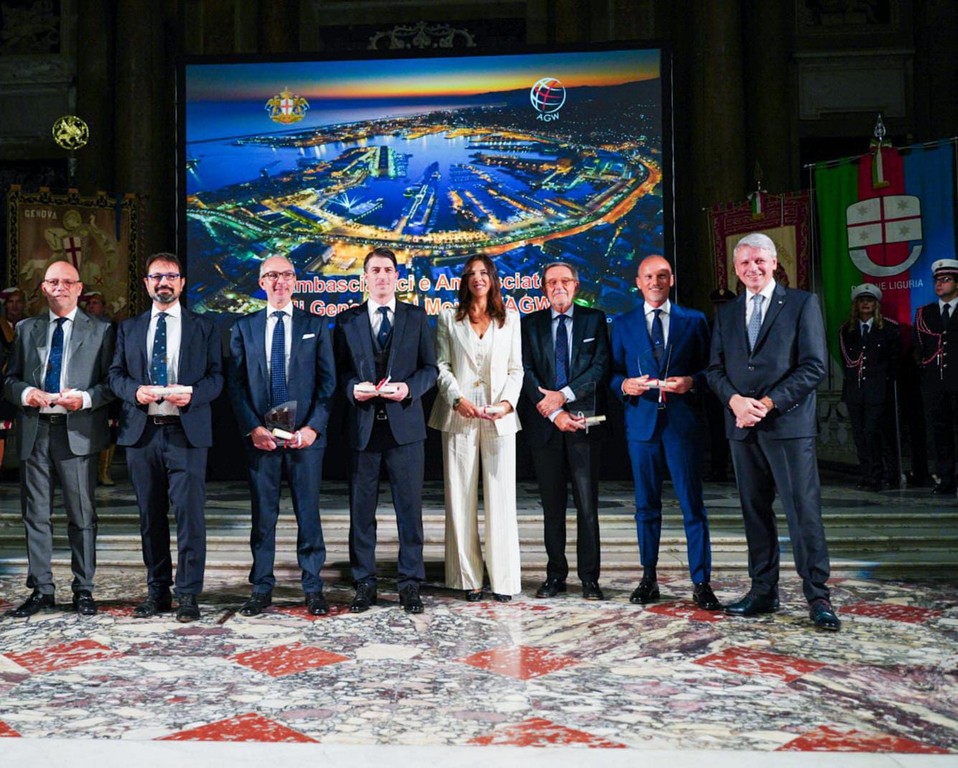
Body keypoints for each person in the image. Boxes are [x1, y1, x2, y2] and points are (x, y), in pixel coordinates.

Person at [707, 232, 839, 631]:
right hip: (741, 429)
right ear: (735, 269)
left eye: (759, 261)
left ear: (774, 263)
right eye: (745, 263)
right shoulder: (727, 313)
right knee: (755, 513)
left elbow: (814, 366)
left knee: (802, 512)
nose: (753, 268)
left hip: (787, 426)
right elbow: (714, 369)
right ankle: (763, 590)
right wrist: (734, 401)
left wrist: (767, 403)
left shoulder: (801, 303)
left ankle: (818, 596)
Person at [108, 253, 223, 622]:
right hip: (142, 435)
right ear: (146, 283)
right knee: (150, 517)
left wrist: (193, 394)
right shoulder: (128, 328)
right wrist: (134, 391)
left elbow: (217, 378)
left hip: (185, 433)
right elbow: (114, 375)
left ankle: (188, 594)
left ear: (182, 283)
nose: (164, 282)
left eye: (171, 276)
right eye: (156, 276)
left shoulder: (203, 327)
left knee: (190, 518)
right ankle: (157, 592)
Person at [3, 261, 114, 617]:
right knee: (35, 514)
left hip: (76, 431)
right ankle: (42, 590)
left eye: (67, 282)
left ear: (79, 288)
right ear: (43, 288)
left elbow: (112, 383)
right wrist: (26, 393)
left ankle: (83, 589)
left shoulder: (101, 330)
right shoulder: (27, 328)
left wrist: (85, 399)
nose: (60, 288)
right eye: (53, 282)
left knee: (82, 516)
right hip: (35, 430)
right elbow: (9, 380)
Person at [227, 255, 336, 616]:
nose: (280, 281)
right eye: (272, 275)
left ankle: (313, 587)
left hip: (305, 440)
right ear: (261, 283)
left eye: (286, 275)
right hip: (262, 440)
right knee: (263, 517)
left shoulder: (315, 325)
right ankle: (261, 587)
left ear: (295, 281)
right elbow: (236, 385)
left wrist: (312, 428)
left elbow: (328, 383)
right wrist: (253, 428)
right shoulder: (244, 327)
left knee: (309, 515)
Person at [610, 255, 719, 611]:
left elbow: (712, 371)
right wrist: (624, 384)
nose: (655, 282)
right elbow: (611, 373)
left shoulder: (694, 320)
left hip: (682, 425)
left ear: (671, 280)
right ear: (638, 282)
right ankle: (648, 578)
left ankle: (701, 582)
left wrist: (692, 382)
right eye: (648, 276)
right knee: (646, 506)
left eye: (662, 276)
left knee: (692, 505)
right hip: (641, 425)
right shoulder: (622, 323)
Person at [334, 247, 438, 614]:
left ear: (397, 276)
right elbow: (338, 373)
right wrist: (352, 389)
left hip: (405, 430)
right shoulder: (346, 321)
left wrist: (409, 388)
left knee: (409, 511)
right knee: (361, 513)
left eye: (387, 270)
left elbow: (430, 369)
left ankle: (410, 584)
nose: (381, 276)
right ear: (365, 278)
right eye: (375, 270)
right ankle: (364, 582)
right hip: (363, 430)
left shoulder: (416, 316)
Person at [429, 254, 524, 602]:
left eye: (484, 273)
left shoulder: (510, 318)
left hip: (499, 416)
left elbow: (516, 369)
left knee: (502, 498)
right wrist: (456, 399)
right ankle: (467, 578)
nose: (477, 278)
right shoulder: (448, 318)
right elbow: (442, 365)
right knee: (460, 496)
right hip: (459, 414)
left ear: (493, 279)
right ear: (464, 281)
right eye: (471, 273)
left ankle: (503, 580)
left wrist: (506, 404)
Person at [519, 261, 609, 601]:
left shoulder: (594, 320)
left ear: (575, 285)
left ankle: (590, 579)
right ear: (544, 288)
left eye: (565, 281)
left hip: (583, 423)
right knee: (552, 507)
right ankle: (555, 575)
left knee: (587, 507)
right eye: (551, 282)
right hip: (546, 426)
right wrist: (554, 411)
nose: (559, 287)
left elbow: (600, 366)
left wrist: (565, 396)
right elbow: (525, 370)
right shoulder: (530, 324)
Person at [839, 284, 901, 491]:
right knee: (860, 435)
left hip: (879, 391)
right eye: (861, 300)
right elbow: (847, 362)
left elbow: (894, 361)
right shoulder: (847, 330)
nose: (865, 304)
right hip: (855, 391)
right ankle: (868, 474)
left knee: (875, 432)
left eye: (869, 300)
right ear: (856, 304)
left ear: (876, 304)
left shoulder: (889, 328)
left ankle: (886, 474)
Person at [913, 258, 958, 496]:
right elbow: (919, 348)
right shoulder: (925, 313)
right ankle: (946, 479)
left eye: (946, 279)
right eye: (937, 280)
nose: (939, 284)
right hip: (935, 384)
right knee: (940, 433)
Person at [81, 291, 119, 486]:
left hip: (106, 383)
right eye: (88, 303)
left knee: (110, 429)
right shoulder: (79, 327)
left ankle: (104, 471)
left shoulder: (113, 328)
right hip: (85, 384)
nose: (91, 306)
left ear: (103, 306)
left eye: (95, 303)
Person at [704, 287, 735, 481]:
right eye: (718, 305)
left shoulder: (740, 325)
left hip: (738, 388)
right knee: (717, 430)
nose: (720, 309)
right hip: (715, 388)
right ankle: (718, 468)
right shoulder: (708, 327)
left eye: (724, 305)